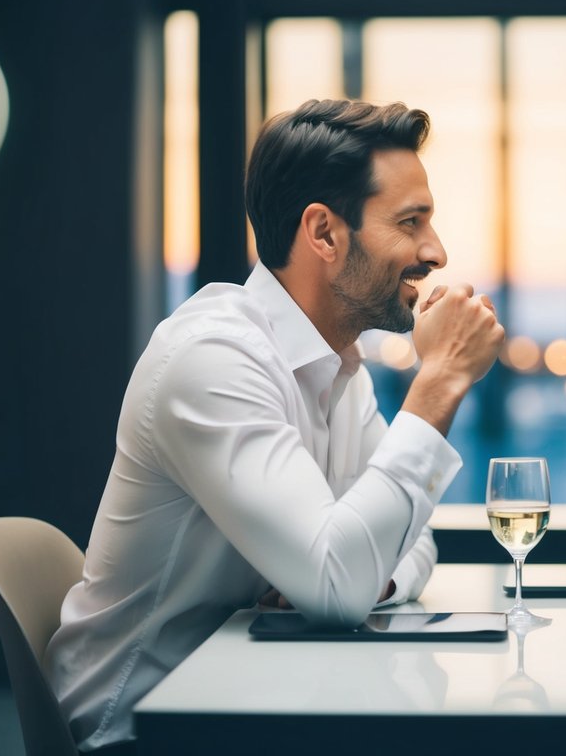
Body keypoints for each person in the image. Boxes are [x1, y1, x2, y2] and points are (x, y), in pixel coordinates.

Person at [45, 98, 505, 754]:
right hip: (140, 730)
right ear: (323, 233)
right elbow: (336, 585)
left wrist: (368, 570)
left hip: (254, 701)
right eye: (410, 222)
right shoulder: (213, 359)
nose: (435, 251)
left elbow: (409, 542)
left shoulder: (342, 370)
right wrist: (442, 382)